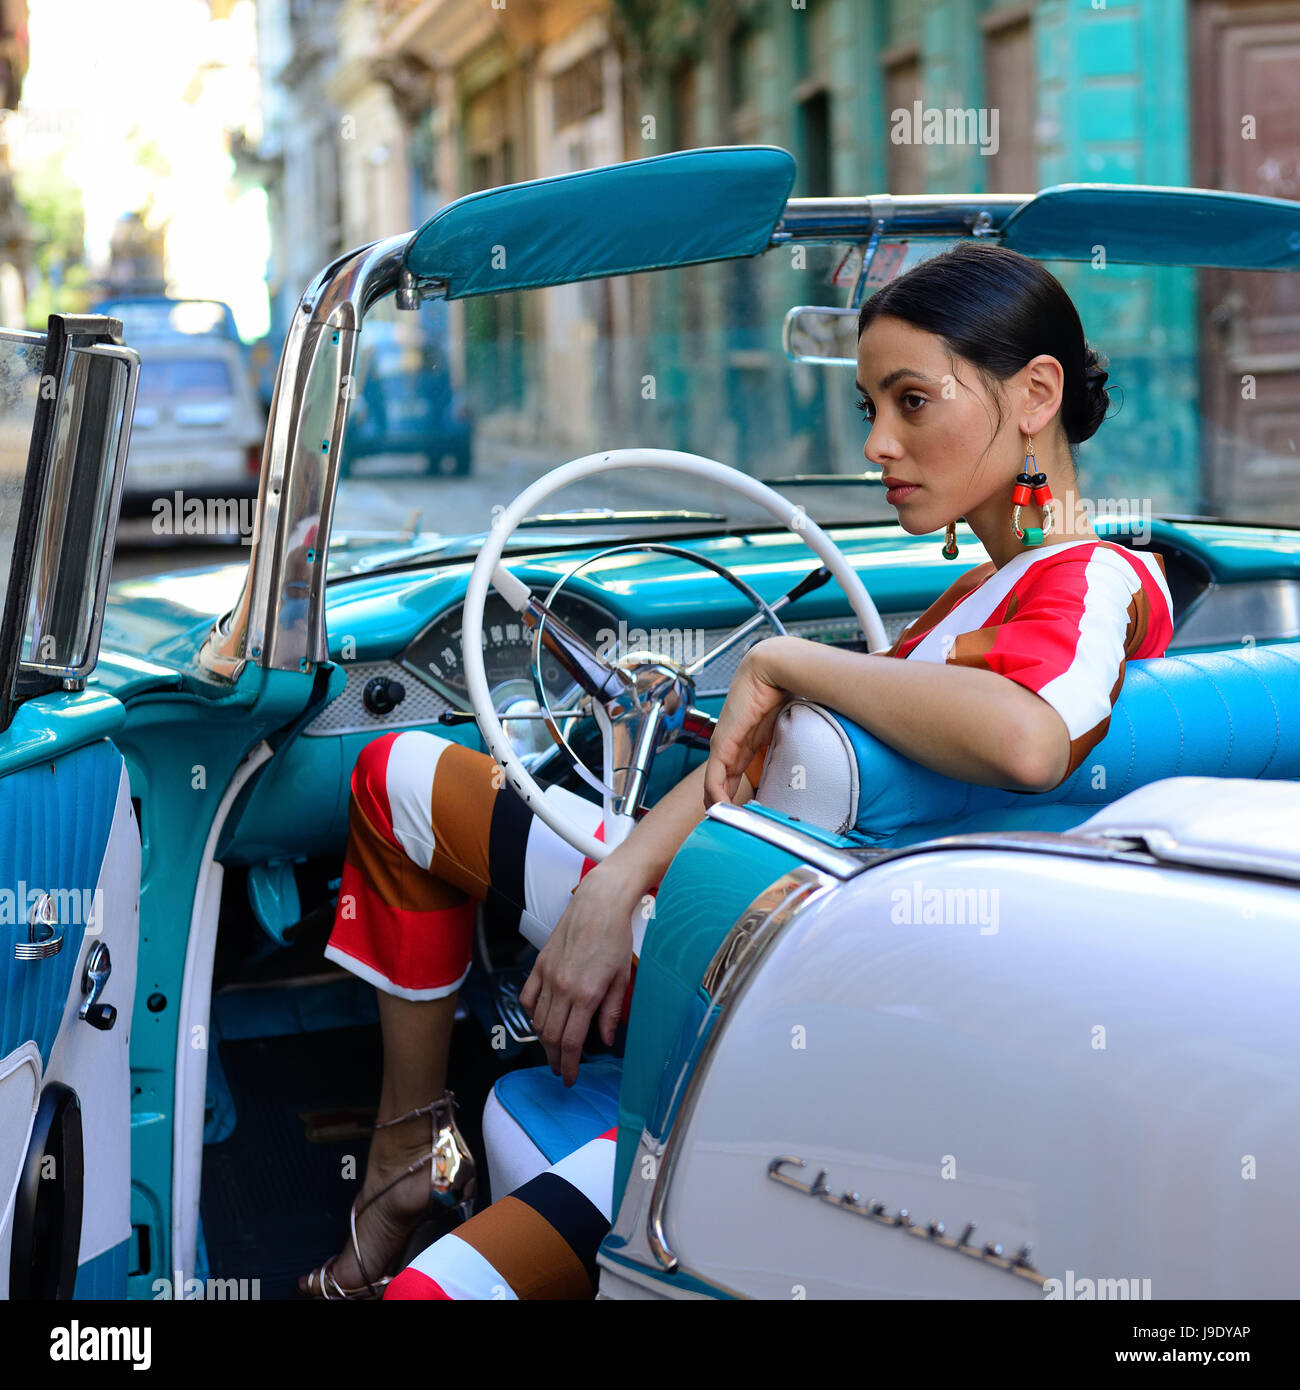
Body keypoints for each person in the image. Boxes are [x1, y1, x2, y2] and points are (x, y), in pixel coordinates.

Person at [301, 242, 1174, 1299]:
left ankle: (422, 1167)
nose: (875, 443)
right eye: (868, 405)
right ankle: (406, 1152)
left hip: (791, 1005)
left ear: (1035, 393)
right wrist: (618, 883)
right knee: (398, 775)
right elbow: (771, 763)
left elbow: (1033, 737)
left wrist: (783, 656)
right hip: (745, 933)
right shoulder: (1005, 584)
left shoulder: (1091, 577)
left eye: (909, 402)